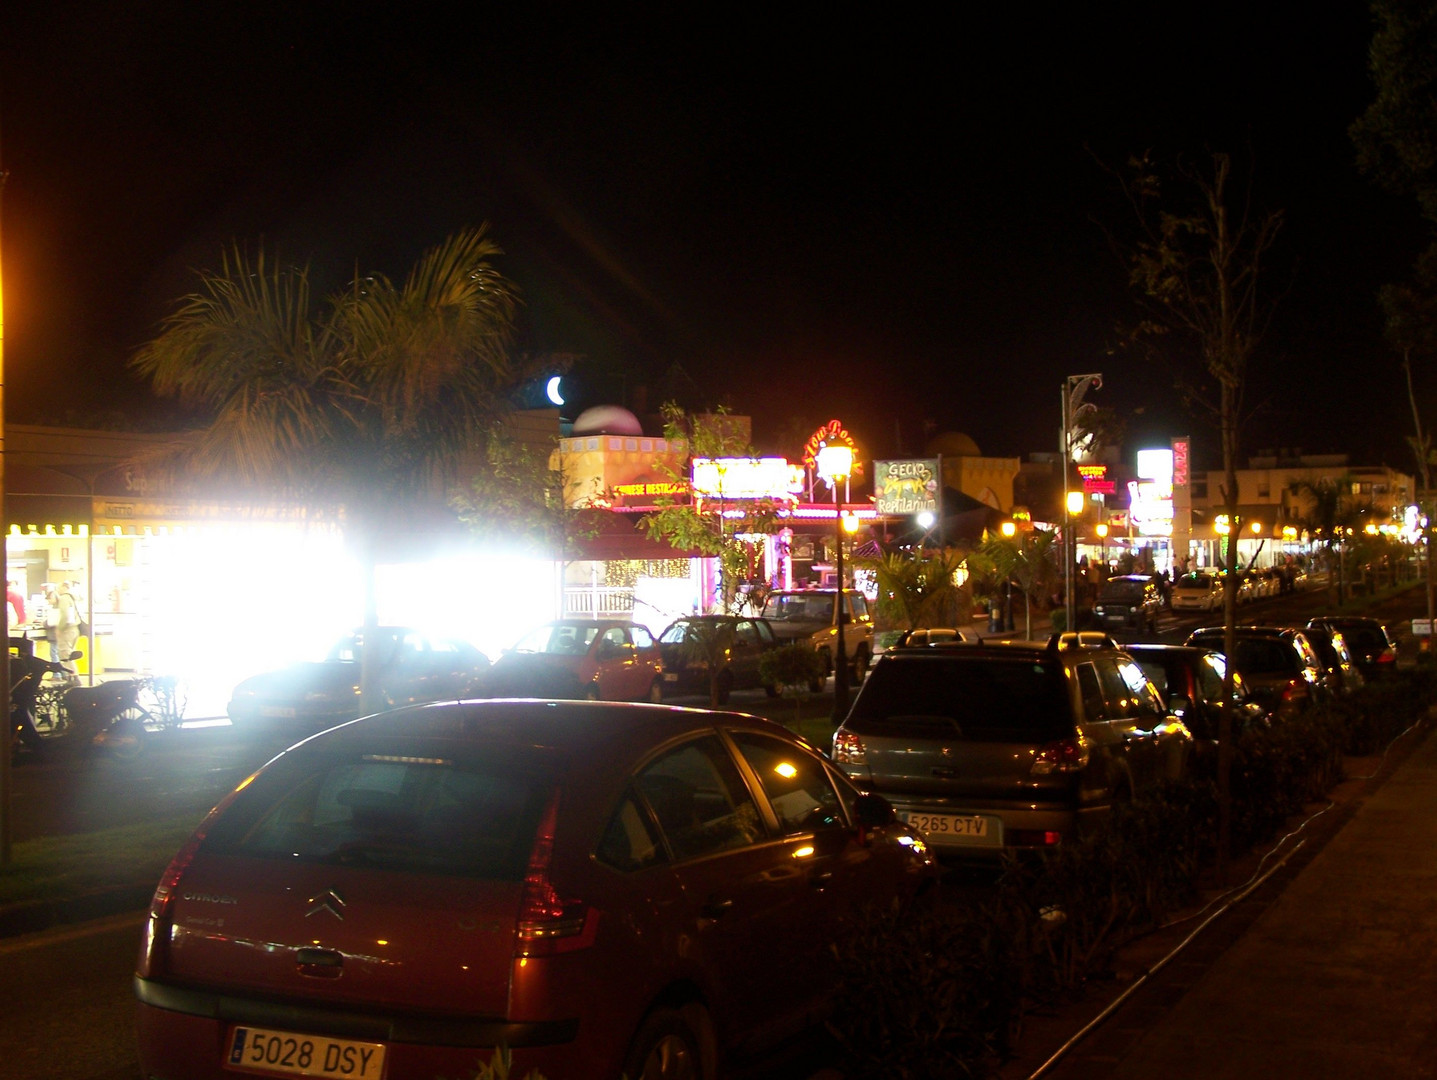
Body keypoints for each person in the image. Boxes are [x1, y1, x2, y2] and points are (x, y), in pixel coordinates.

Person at [45, 581, 81, 671]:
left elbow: (64, 615)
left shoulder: (64, 598)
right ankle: (72, 676)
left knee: (65, 655)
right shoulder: (73, 598)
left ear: (63, 587)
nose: (57, 590)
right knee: (69, 654)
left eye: (58, 587)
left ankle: (73, 677)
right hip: (74, 629)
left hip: (67, 630)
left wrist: (59, 629)